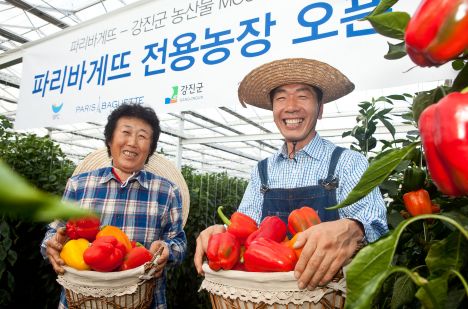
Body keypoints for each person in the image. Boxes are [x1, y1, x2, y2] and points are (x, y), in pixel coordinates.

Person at [194, 58, 388, 290]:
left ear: (321, 108)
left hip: (330, 298)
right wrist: (222, 233)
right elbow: (246, 229)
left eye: (303, 96)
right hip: (268, 300)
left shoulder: (348, 162)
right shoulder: (262, 171)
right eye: (281, 98)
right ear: (274, 110)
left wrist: (354, 227)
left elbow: (377, 226)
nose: (291, 106)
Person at [40, 103, 187, 309]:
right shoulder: (79, 185)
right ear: (110, 140)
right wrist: (51, 246)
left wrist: (167, 250)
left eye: (143, 136)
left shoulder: (167, 191)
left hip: (142, 300)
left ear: (151, 148)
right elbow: (54, 231)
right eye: (125, 132)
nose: (133, 142)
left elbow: (178, 242)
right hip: (82, 300)